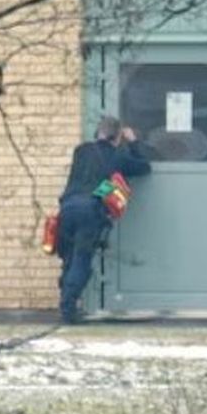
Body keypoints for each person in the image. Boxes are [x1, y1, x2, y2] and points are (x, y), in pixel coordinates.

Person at [55, 115, 152, 324]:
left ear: (98, 133)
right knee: (82, 259)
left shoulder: (80, 151)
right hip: (90, 210)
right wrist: (133, 142)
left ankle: (66, 300)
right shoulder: (118, 156)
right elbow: (145, 167)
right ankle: (68, 310)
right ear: (117, 137)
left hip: (67, 207)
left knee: (69, 259)